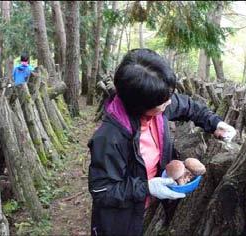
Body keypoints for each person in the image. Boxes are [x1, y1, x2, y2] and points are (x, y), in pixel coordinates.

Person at [88, 49, 236, 236]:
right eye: (163, 102)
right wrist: (147, 187)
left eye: (168, 97)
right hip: (122, 220)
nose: (169, 103)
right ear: (140, 106)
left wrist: (215, 123)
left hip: (150, 209)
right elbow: (102, 191)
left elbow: (188, 106)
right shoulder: (109, 138)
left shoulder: (158, 102)